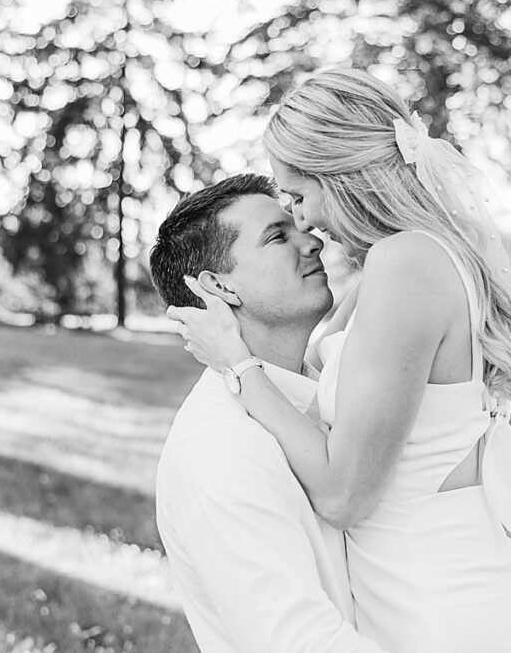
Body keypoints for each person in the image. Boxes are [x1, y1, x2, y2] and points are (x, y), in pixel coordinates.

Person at [169, 69, 511, 653]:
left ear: (339, 177)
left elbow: (342, 495)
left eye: (298, 196)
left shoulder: (406, 264)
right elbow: (322, 362)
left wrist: (237, 366)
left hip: (449, 620)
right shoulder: (408, 261)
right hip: (455, 604)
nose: (303, 221)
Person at [149, 174, 387, 653]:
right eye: (277, 237)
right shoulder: (220, 449)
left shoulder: (317, 389)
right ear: (219, 286)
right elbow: (299, 642)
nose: (313, 241)